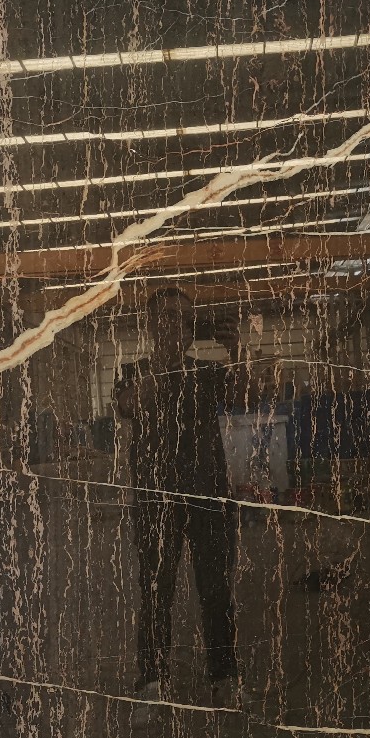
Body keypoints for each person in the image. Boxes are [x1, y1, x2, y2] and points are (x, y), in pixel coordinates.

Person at [113, 288, 244, 712]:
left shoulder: (208, 371)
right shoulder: (132, 372)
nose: (177, 324)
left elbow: (244, 398)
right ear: (150, 325)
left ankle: (224, 677)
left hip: (208, 494)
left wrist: (236, 350)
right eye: (167, 316)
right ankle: (151, 681)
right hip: (156, 499)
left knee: (216, 590)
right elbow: (131, 404)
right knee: (155, 592)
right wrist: (164, 362)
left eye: (185, 317)